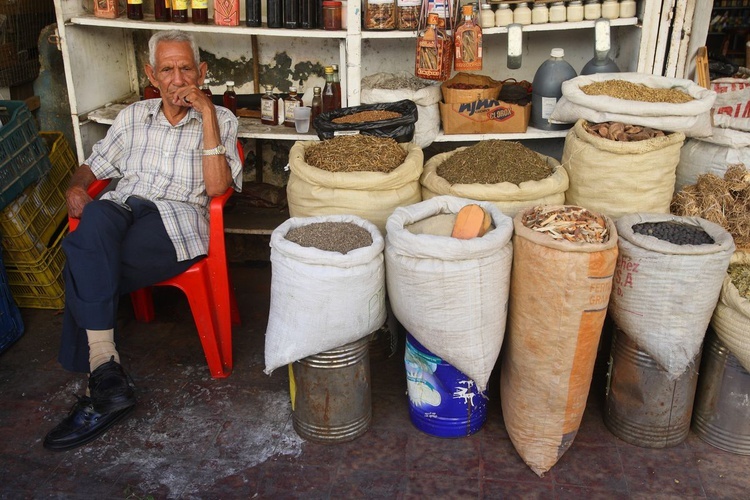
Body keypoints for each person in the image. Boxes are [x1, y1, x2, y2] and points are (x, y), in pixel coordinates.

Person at [43, 30, 242, 451]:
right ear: (152, 74)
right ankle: (107, 374)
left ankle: (102, 380)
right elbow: (92, 167)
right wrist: (77, 187)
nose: (177, 79)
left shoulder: (221, 120)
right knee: (94, 220)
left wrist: (206, 114)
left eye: (186, 68)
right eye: (167, 69)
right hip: (122, 207)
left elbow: (216, 188)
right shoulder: (134, 116)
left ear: (202, 72)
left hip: (175, 219)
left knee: (85, 260)